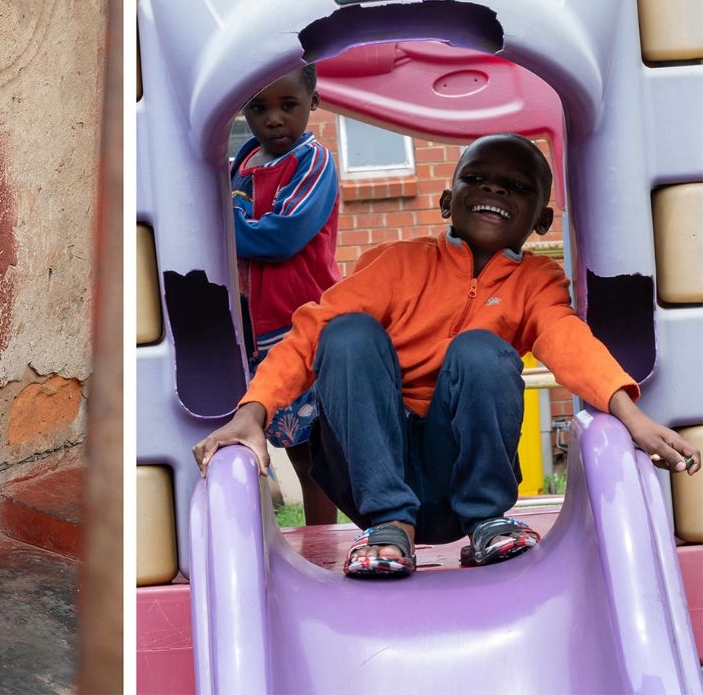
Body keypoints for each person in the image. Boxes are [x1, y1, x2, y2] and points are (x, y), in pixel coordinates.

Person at [195, 133, 700, 578]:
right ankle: (390, 527)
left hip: (455, 473)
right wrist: (252, 414)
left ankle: (486, 520)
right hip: (371, 472)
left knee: (482, 349)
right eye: (476, 177)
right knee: (346, 331)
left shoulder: (536, 284)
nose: (495, 190)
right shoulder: (400, 264)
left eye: (518, 187)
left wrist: (629, 414)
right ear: (445, 201)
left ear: (543, 219)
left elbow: (568, 340)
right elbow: (309, 331)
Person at [231, 65, 340, 525]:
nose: (274, 119)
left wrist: (218, 224)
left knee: (311, 455)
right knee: (261, 442)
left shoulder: (314, 161)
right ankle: (263, 538)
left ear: (312, 102)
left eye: (288, 106)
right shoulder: (244, 160)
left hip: (299, 323)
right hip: (250, 328)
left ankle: (321, 546)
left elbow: (281, 236)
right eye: (259, 108)